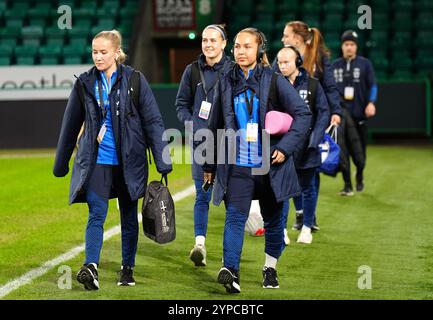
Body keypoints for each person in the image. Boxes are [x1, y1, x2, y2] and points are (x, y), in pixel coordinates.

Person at [53, 30, 172, 290]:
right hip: (97, 161)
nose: (98, 57)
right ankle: (91, 267)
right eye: (94, 52)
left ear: (117, 52)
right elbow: (70, 124)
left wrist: (163, 161)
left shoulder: (135, 81)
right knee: (96, 213)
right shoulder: (84, 83)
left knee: (128, 217)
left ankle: (127, 268)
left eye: (103, 52)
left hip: (130, 162)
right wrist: (60, 163)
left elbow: (153, 121)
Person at [204, 28, 312, 293]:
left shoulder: (274, 80)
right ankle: (231, 270)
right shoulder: (225, 80)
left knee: (274, 221)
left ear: (259, 50)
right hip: (238, 164)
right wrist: (208, 165)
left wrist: (286, 148)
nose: (241, 52)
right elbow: (214, 122)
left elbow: (303, 114)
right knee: (234, 218)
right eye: (237, 47)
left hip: (271, 166)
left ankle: (270, 269)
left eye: (247, 47)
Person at [275, 21, 342, 232]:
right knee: (294, 173)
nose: (283, 39)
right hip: (292, 125)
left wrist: (335, 112)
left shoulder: (319, 57)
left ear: (297, 37)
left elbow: (329, 87)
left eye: (286, 35)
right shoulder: (285, 60)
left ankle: (308, 217)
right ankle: (301, 214)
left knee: (311, 173)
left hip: (315, 120)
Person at [175, 24, 232, 267]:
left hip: (228, 142)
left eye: (212, 40)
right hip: (201, 144)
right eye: (204, 40)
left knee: (233, 198)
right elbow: (181, 105)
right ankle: (200, 244)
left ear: (223, 44)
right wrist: (193, 124)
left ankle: (231, 253)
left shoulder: (232, 69)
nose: (208, 44)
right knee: (202, 195)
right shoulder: (192, 71)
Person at [276, 46, 330, 244]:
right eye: (279, 62)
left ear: (297, 62)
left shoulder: (313, 85)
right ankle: (281, 230)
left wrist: (315, 138)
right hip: (283, 146)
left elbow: (323, 112)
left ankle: (307, 227)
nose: (282, 66)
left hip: (308, 147)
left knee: (308, 189)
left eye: (286, 62)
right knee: (282, 191)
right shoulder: (275, 85)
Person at [332, 30, 377, 194]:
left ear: (356, 47)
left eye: (352, 44)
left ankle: (359, 174)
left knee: (360, 154)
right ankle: (347, 185)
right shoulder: (334, 65)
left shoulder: (365, 64)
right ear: (342, 46)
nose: (349, 47)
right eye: (346, 44)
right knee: (343, 151)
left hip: (359, 117)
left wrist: (371, 102)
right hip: (342, 117)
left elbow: (373, 85)